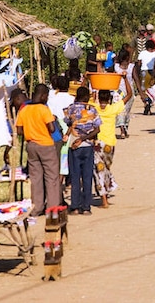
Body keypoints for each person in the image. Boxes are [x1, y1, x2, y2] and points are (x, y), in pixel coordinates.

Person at [15, 84, 61, 216]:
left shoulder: (24, 110)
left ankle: (37, 208)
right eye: (46, 96)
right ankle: (52, 209)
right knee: (51, 177)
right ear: (42, 95)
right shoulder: (43, 109)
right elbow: (52, 129)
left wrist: (31, 131)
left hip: (31, 146)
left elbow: (19, 130)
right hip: (46, 145)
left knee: (36, 177)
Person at [63, 87, 101, 215]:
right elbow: (97, 129)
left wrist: (77, 138)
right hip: (88, 145)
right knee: (87, 176)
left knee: (74, 177)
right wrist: (84, 138)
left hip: (74, 146)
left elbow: (68, 122)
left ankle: (74, 206)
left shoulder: (70, 108)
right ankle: (86, 207)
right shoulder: (92, 109)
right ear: (87, 97)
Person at [90, 89, 124, 209]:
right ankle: (107, 190)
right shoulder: (113, 109)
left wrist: (87, 79)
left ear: (98, 98)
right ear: (109, 99)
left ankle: (104, 198)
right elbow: (129, 95)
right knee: (106, 169)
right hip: (110, 144)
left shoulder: (94, 107)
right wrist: (125, 79)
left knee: (99, 170)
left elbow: (80, 98)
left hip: (98, 143)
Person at [136, 39, 155, 115]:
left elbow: (139, 64)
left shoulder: (142, 53)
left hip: (143, 72)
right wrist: (154, 75)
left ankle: (146, 103)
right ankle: (149, 104)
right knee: (151, 90)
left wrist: (137, 73)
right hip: (152, 72)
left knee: (144, 90)